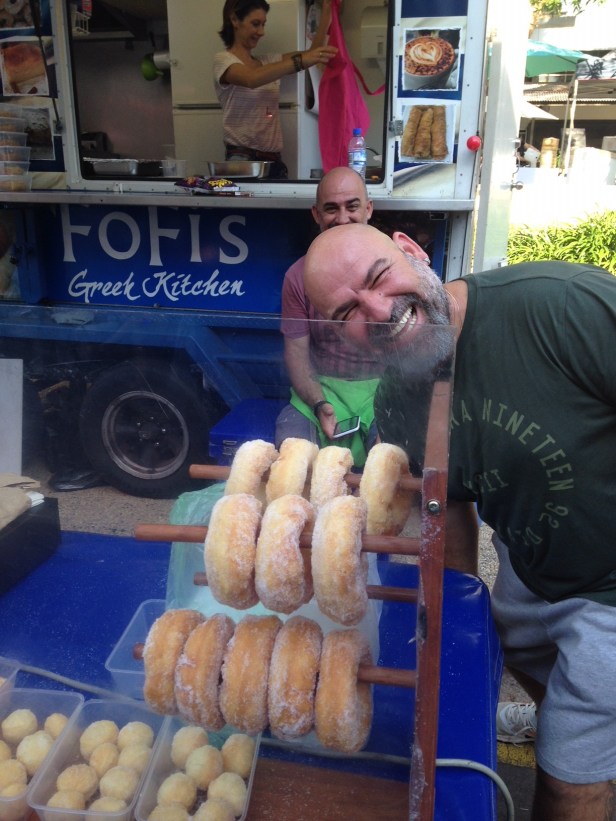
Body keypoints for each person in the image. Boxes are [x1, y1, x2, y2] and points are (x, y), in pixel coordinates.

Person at [303, 223, 616, 821]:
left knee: (569, 783)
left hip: (610, 587)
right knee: (512, 656)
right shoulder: (400, 397)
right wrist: (459, 614)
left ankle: (582, 755)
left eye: (378, 277)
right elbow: (443, 508)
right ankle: (585, 729)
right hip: (531, 570)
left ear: (413, 250)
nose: (378, 310)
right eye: (347, 309)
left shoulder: (559, 306)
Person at [276, 166, 430, 466]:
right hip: (322, 390)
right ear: (316, 215)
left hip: (385, 388)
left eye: (352, 206)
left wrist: (402, 404)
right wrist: (319, 403)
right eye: (331, 209)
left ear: (369, 209)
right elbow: (296, 354)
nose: (342, 218)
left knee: (389, 467)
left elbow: (419, 347)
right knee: (291, 459)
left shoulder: (394, 263)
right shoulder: (298, 277)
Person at [214, 0, 337, 178]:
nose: (261, 32)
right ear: (234, 19)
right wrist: (301, 61)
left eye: (263, 24)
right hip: (241, 159)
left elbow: (314, 54)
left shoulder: (267, 62)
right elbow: (251, 79)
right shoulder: (223, 60)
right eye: (255, 24)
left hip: (273, 160)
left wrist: (327, 9)